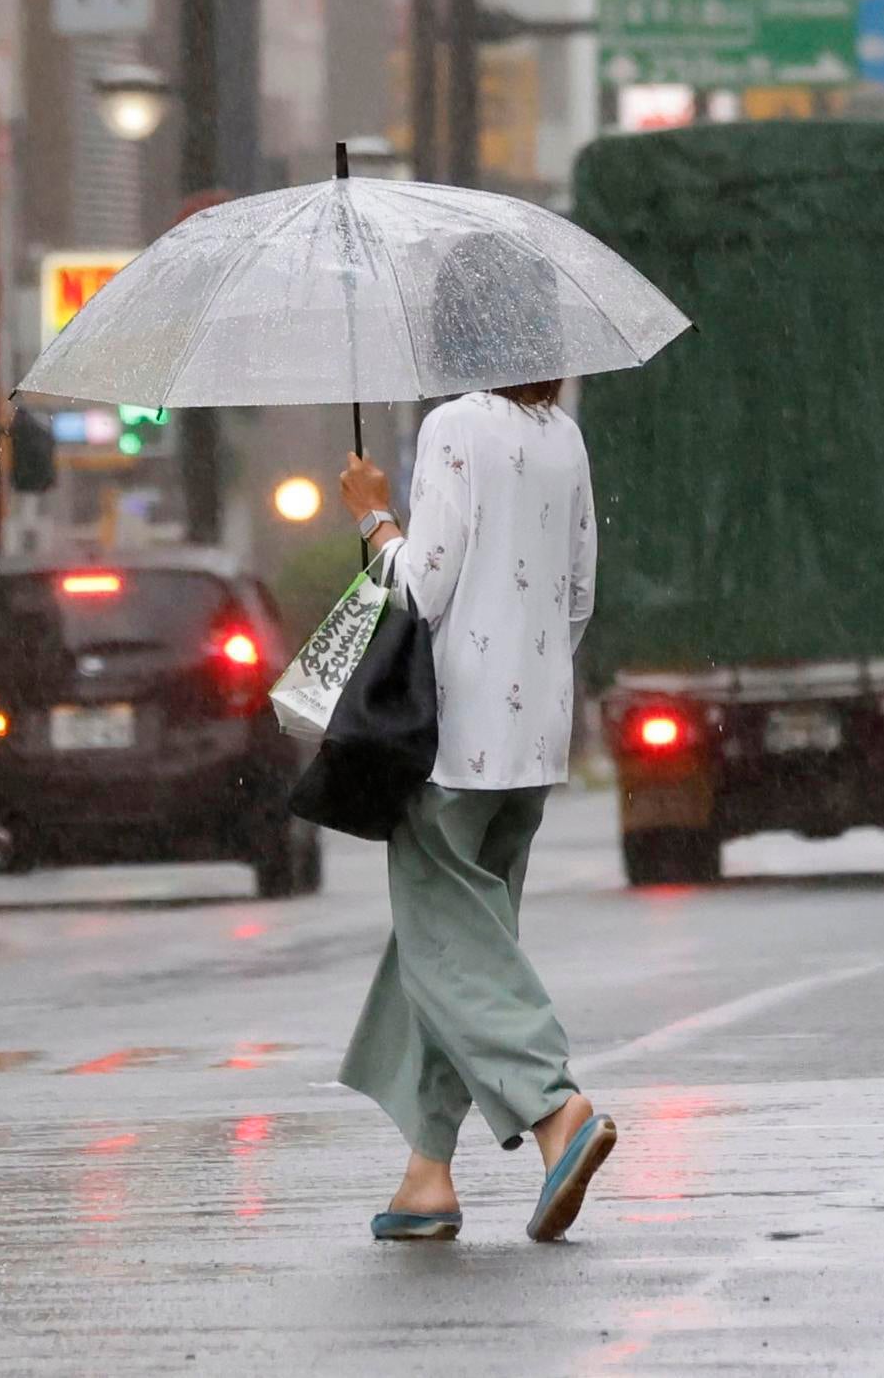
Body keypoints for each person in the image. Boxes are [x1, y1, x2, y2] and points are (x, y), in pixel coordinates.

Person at [328, 241, 615, 1246]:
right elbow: (579, 592)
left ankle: (554, 1107)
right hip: (535, 731)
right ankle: (426, 1175)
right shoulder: (563, 437)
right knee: (449, 946)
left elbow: (419, 587)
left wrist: (373, 515)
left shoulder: (455, 425)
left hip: (450, 739)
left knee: (451, 944)